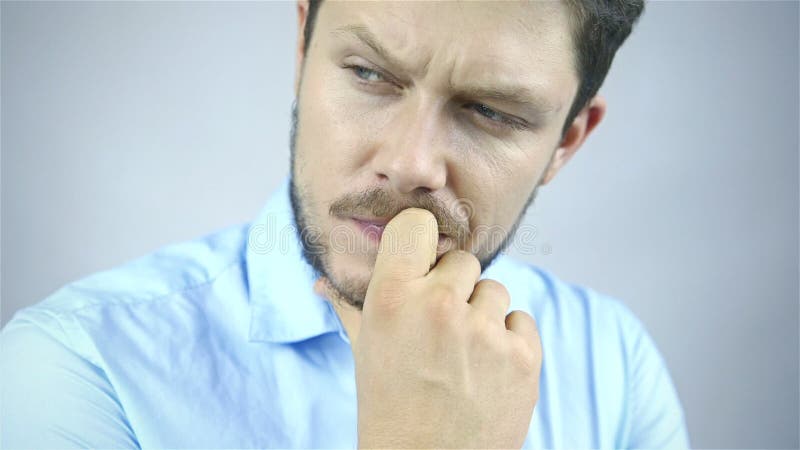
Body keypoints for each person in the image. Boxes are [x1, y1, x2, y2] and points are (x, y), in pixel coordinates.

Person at [1, 0, 690, 448]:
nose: (410, 162)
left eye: (491, 112)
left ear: (566, 142)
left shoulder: (617, 364)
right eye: (368, 73)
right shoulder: (75, 367)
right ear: (303, 46)